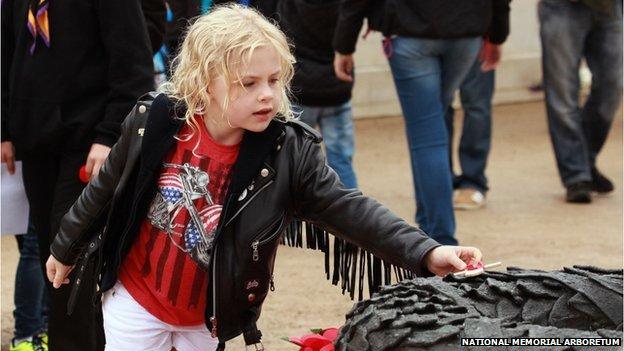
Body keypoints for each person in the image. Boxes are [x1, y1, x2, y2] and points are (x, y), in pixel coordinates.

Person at [44, 5, 484, 350]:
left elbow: (352, 210)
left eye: (275, 79)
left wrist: (428, 251)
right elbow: (101, 190)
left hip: (206, 315)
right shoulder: (154, 121)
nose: (268, 95)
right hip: (135, 301)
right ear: (204, 82)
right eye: (248, 83)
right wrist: (65, 247)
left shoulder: (287, 150)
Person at [1, 0, 156, 349]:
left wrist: (110, 135)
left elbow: (134, 66)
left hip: (89, 146)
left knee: (70, 257)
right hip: (35, 142)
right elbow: (6, 52)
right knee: (49, 257)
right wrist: (5, 129)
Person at [333, 1, 510, 245]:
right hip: (467, 31)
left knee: (427, 135)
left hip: (411, 33)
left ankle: (441, 239)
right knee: (431, 124)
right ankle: (429, 223)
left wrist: (344, 45)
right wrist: (497, 34)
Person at [539, 0, 622, 203]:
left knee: (613, 85)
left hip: (610, 7)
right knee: (563, 96)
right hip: (562, 8)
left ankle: (584, 158)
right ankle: (576, 175)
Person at [277, 0, 358, 189]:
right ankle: (346, 216)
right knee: (342, 161)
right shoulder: (346, 7)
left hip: (300, 89)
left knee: (295, 162)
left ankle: (295, 215)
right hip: (337, 88)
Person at [445, 39, 505, 210]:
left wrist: (494, 34)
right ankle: (440, 180)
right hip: (429, 30)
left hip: (475, 28)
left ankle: (473, 180)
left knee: (477, 106)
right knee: (436, 109)